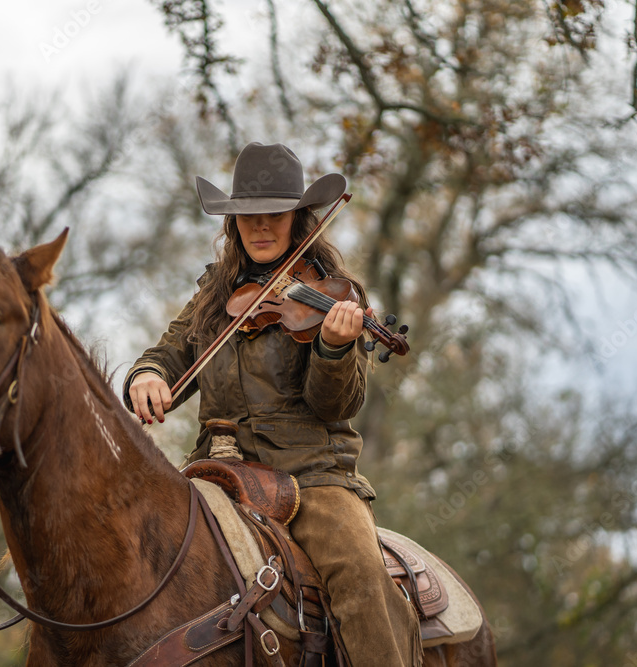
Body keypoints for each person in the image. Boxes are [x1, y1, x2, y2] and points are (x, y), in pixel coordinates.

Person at [121, 142, 422, 666]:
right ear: (233, 223)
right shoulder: (215, 294)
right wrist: (147, 375)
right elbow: (169, 351)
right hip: (215, 473)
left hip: (311, 478)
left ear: (299, 218)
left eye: (274, 216)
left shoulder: (335, 298)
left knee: (359, 574)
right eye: (246, 217)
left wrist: (333, 347)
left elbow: (336, 407)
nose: (260, 228)